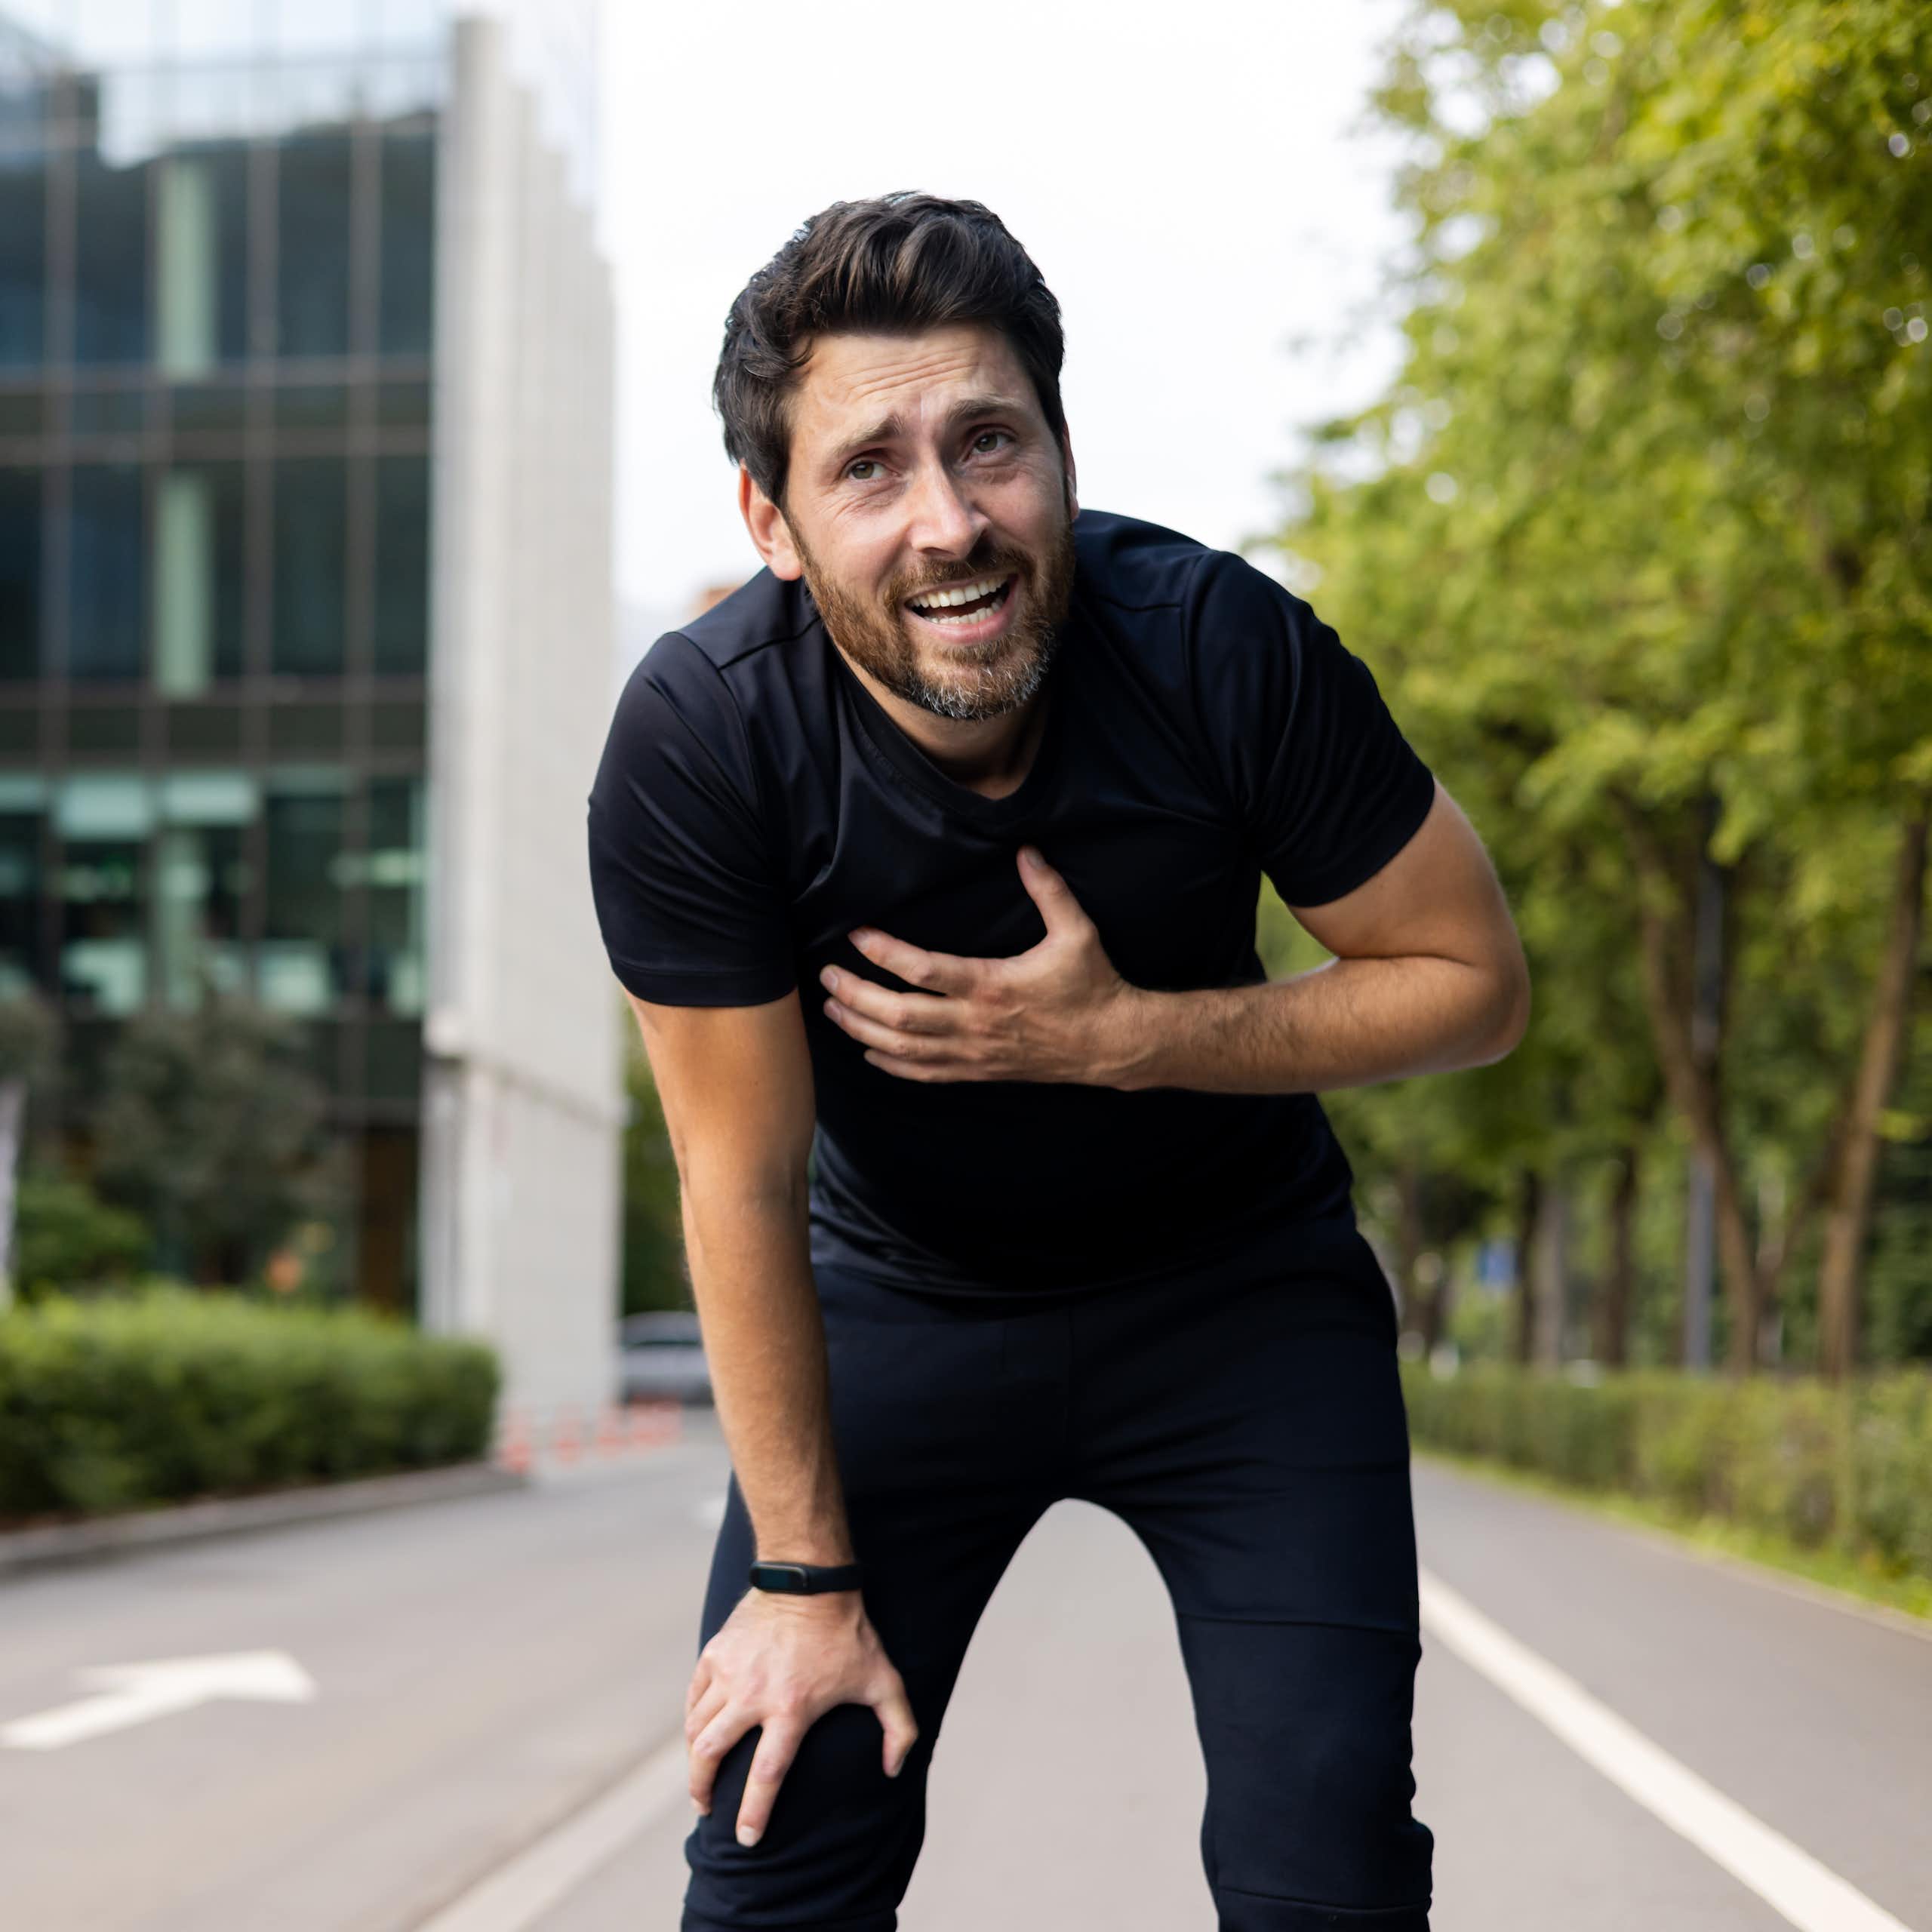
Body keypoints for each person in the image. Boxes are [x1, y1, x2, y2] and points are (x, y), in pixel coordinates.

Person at [585, 191, 1529, 1932]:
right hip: (895, 1309)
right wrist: (800, 1573)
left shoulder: (1217, 648)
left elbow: (1469, 980)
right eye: (867, 466)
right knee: (778, 1834)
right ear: (770, 521)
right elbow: (738, 1172)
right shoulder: (703, 742)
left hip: (1237, 1299)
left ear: (1062, 454)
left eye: (988, 442)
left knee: (1322, 1852)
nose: (949, 521)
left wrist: (1130, 1040)